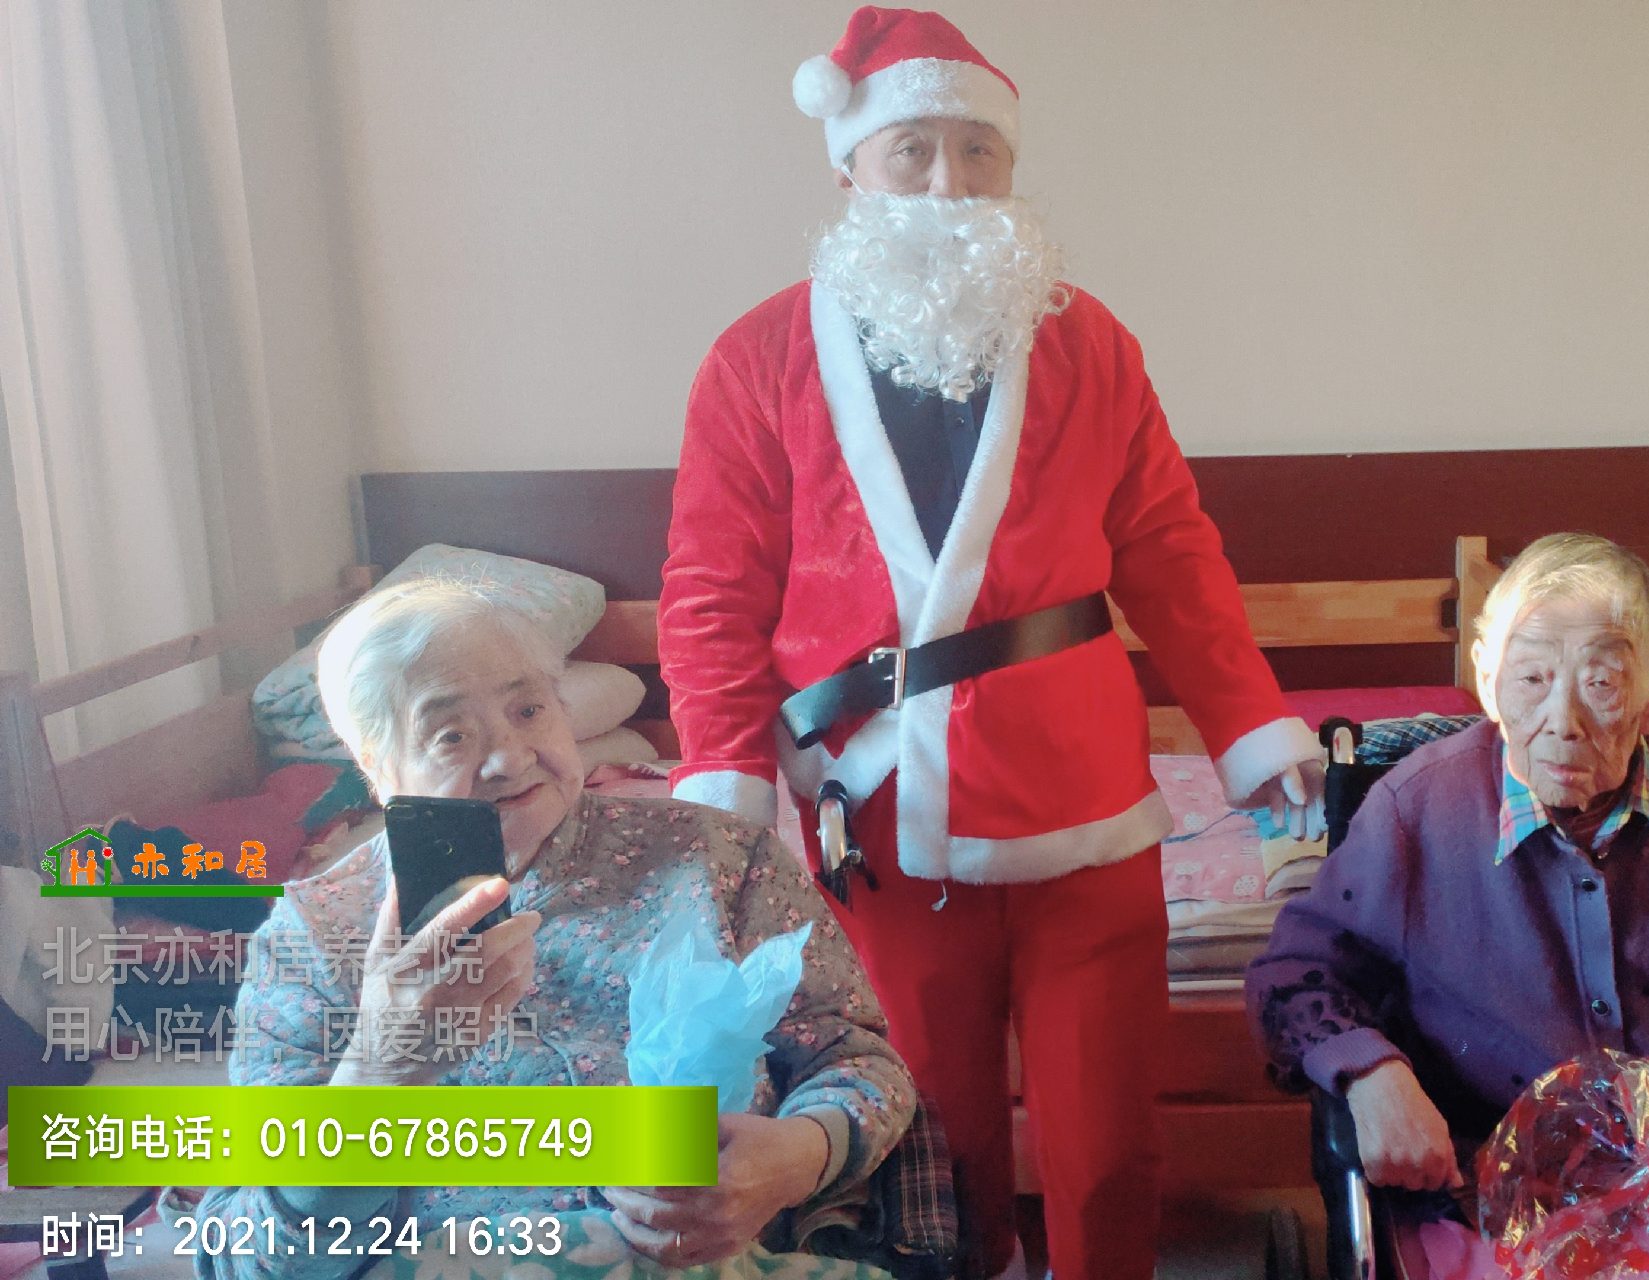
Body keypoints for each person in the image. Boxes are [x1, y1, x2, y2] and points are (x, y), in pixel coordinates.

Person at [656, 9, 1325, 1277]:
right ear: (849, 168)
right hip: (879, 819)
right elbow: (708, 590)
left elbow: (1168, 548)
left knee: (1106, 1144)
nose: (947, 184)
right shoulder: (755, 360)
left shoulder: (1089, 340)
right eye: (911, 150)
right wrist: (725, 775)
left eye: (977, 151)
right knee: (930, 1140)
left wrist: (1245, 722)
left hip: (1086, 806)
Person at [194, 579, 918, 1280]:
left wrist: (797, 1157)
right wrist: (379, 1070)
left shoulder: (720, 858)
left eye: (529, 710)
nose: (510, 758)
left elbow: (859, 1062)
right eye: (451, 735)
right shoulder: (316, 934)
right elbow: (250, 1257)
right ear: (377, 768)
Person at [1245, 533, 1649, 1277]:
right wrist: (1373, 1076)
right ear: (1486, 675)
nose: (1561, 720)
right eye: (1531, 677)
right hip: (1483, 1198)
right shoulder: (1414, 812)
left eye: (1601, 682)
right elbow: (1294, 975)